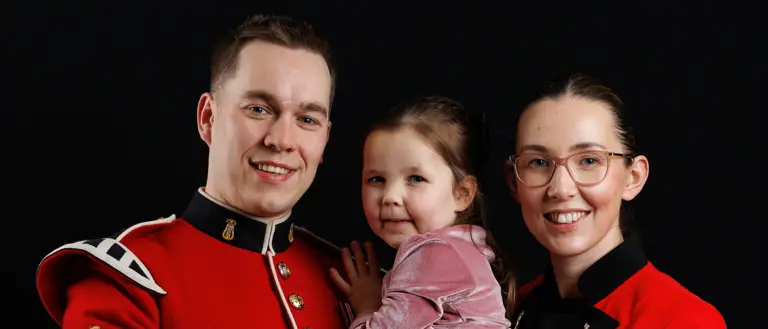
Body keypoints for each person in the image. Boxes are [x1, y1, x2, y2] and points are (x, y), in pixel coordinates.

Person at [36, 14, 355, 329]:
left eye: (307, 120)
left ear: (325, 140)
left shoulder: (359, 283)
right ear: (207, 118)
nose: (282, 141)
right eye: (258, 109)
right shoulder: (128, 277)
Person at [503, 74, 727, 328]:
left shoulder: (684, 320)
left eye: (589, 160)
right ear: (514, 181)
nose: (560, 189)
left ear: (633, 177)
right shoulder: (500, 312)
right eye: (539, 162)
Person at [329, 96, 513, 328]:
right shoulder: (464, 251)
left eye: (416, 179)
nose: (390, 197)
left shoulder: (435, 251)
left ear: (462, 193)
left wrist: (368, 307)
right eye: (376, 179)